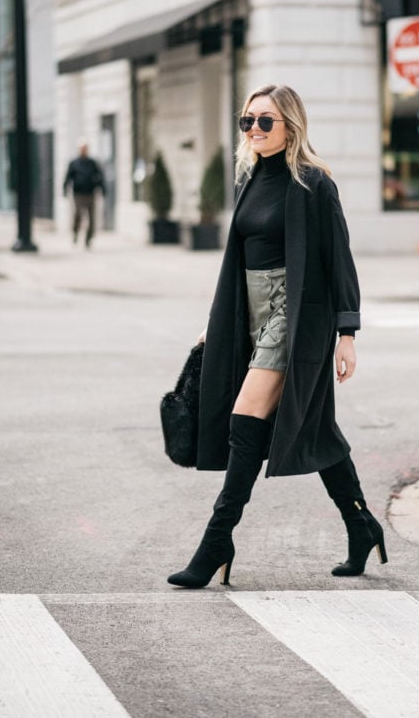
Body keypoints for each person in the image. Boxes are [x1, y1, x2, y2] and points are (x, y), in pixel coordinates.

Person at [167, 83, 388, 589]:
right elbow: (239, 259)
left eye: (266, 121)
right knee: (315, 428)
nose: (255, 130)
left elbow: (339, 261)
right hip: (249, 309)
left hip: (294, 312)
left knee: (246, 420)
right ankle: (361, 524)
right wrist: (218, 322)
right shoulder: (248, 177)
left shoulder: (313, 183)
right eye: (248, 121)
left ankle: (216, 541)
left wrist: (346, 333)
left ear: (291, 125)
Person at [63, 140, 105, 248]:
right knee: (78, 215)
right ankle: (75, 233)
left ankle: (88, 239)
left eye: (85, 148)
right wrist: (65, 189)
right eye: (82, 148)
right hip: (78, 193)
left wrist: (102, 188)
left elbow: (99, 176)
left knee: (91, 217)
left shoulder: (92, 163)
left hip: (90, 193)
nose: (84, 150)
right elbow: (68, 177)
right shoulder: (74, 163)